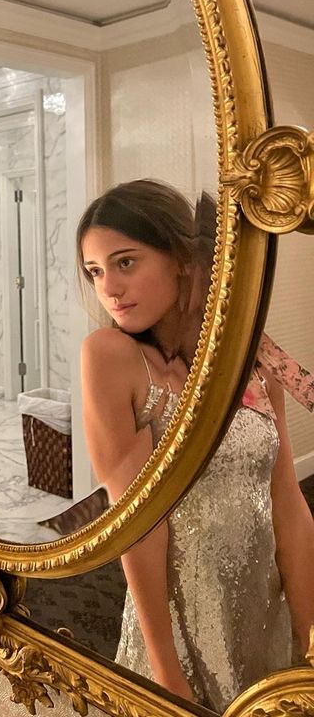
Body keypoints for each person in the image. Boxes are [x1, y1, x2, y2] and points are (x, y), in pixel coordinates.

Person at [77, 178, 314, 710]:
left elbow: (288, 503)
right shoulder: (111, 357)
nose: (108, 288)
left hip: (260, 603)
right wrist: (166, 671)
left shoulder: (252, 363)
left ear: (182, 261)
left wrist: (307, 634)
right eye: (95, 272)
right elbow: (136, 523)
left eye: (125, 262)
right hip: (179, 623)